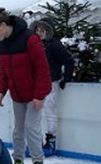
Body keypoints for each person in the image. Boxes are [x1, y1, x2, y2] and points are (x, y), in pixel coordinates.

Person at [0, 8, 52, 164]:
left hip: (33, 95)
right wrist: (1, 90)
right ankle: (18, 162)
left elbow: (43, 69)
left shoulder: (30, 39)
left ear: (4, 25)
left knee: (31, 129)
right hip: (17, 95)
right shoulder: (2, 44)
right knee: (18, 131)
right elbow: (5, 72)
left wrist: (40, 95)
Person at [30, 18, 75, 155]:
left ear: (47, 31)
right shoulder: (33, 45)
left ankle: (51, 138)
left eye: (42, 30)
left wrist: (65, 78)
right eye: (37, 30)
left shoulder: (54, 45)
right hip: (37, 82)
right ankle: (36, 140)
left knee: (49, 109)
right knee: (34, 111)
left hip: (51, 82)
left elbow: (68, 60)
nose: (39, 33)